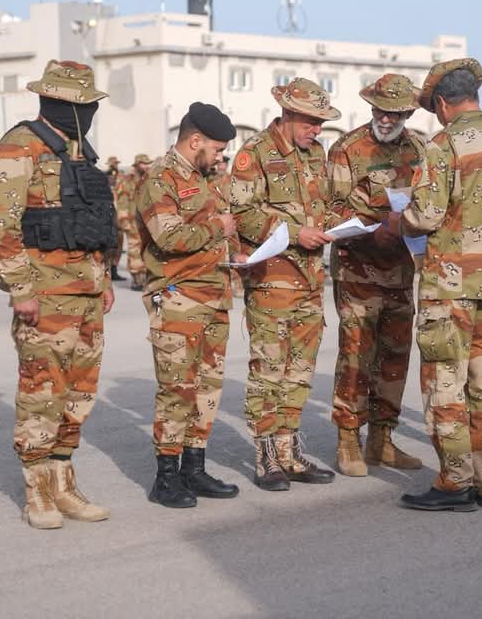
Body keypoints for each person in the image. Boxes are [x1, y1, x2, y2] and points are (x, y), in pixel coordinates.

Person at [390, 58, 482, 511]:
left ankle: (456, 482)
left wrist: (398, 219)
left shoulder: (443, 144)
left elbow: (426, 215)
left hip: (450, 288)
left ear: (441, 104)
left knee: (445, 384)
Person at [0, 59, 118, 529]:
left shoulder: (80, 151)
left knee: (79, 393)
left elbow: (93, 222)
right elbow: (2, 226)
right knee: (42, 392)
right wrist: (20, 289)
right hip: (44, 295)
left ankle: (64, 484)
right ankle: (37, 492)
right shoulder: (20, 146)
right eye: (82, 106)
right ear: (54, 102)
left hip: (86, 293)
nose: (87, 114)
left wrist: (103, 279)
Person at [230, 77, 338, 491]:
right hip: (273, 281)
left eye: (321, 123)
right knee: (269, 371)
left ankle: (289, 453)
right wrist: (295, 233)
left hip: (311, 279)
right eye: (311, 122)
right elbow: (241, 213)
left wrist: (338, 226)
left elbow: (322, 205)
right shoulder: (254, 153)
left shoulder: (316, 154)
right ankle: (266, 458)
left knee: (300, 372)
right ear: (289, 114)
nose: (317, 130)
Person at [135, 102, 242, 508]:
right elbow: (169, 237)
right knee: (177, 390)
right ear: (195, 141)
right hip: (179, 298)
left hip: (214, 297)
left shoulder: (205, 178)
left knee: (206, 389)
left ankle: (193, 469)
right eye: (217, 149)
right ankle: (165, 477)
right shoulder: (159, 178)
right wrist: (218, 227)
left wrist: (237, 252)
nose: (220, 157)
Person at [326, 74, 425, 477]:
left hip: (401, 269)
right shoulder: (347, 149)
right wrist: (374, 226)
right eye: (381, 111)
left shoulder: (420, 149)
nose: (386, 119)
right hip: (358, 270)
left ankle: (382, 440)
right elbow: (331, 208)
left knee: (395, 357)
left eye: (395, 114)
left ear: (407, 114)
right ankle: (348, 439)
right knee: (356, 357)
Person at [122, 153, 153, 291]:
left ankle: (146, 277)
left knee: (147, 249)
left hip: (147, 221)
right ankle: (136, 279)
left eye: (148, 164)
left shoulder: (149, 179)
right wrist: (124, 221)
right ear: (137, 165)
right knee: (134, 250)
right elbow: (122, 201)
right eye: (144, 164)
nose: (147, 166)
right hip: (132, 220)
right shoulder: (128, 181)